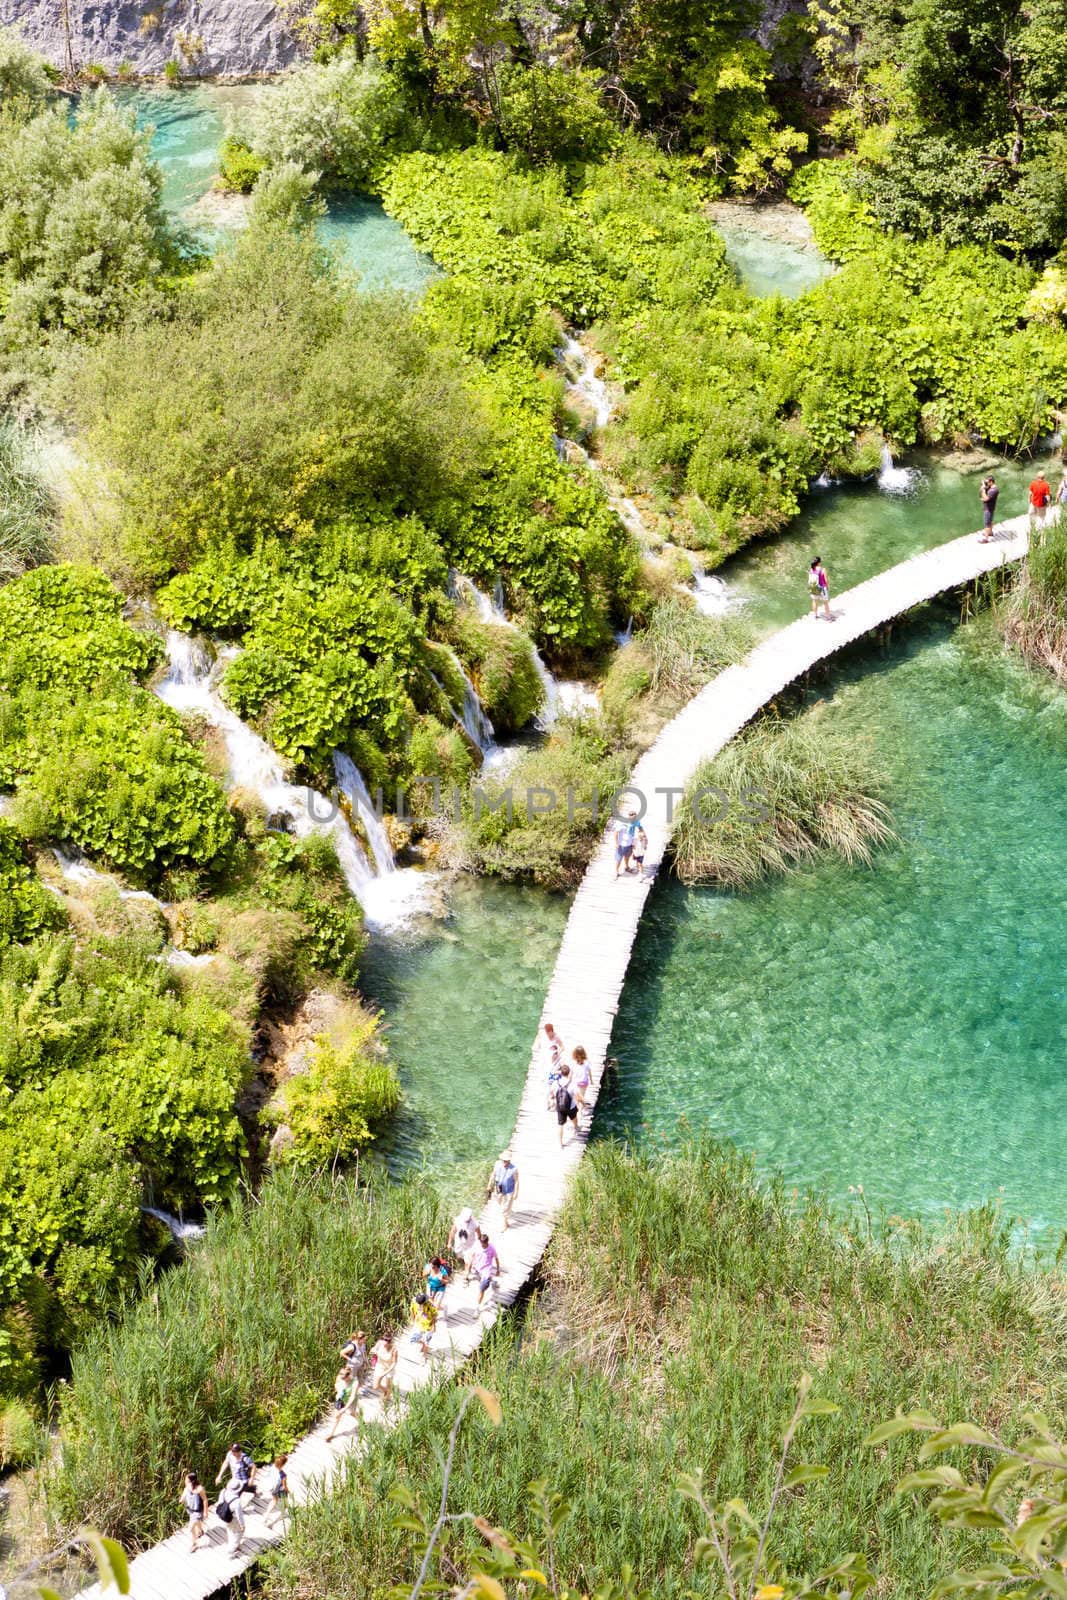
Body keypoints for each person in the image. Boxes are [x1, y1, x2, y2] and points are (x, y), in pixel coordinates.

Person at [326, 1366, 360, 1442]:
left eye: (344, 1377)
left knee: (352, 1413)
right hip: (341, 1399)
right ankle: (331, 1434)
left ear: (349, 1375)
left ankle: (361, 1421)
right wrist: (338, 1391)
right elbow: (336, 1385)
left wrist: (344, 1409)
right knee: (337, 1416)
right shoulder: (339, 1377)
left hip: (351, 1401)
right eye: (341, 1374)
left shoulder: (355, 1382)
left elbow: (352, 1397)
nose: (342, 1378)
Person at [470, 1229, 500, 1311]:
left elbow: (496, 1258)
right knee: (481, 1284)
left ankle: (477, 1308)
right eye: (481, 1243)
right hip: (477, 1269)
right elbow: (472, 1256)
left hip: (487, 1271)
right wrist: (469, 1268)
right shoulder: (477, 1247)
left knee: (481, 1289)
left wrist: (498, 1269)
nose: (482, 1245)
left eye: (483, 1243)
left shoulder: (491, 1248)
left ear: (487, 1242)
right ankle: (493, 1282)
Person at [488, 1149, 519, 1228]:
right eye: (503, 1160)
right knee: (499, 1201)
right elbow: (493, 1174)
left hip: (509, 1191)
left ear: (509, 1160)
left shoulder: (514, 1169)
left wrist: (516, 1193)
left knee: (505, 1208)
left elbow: (516, 1181)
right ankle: (507, 1209)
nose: (505, 1162)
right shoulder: (497, 1164)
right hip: (499, 1187)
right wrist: (489, 1184)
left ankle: (505, 1224)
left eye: (507, 1161)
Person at [448, 1206, 479, 1280]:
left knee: (468, 1261)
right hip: (459, 1243)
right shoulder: (458, 1220)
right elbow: (452, 1231)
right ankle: (464, 1267)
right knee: (459, 1256)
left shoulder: (475, 1224)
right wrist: (449, 1242)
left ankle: (466, 1275)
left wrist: (479, 1243)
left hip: (470, 1245)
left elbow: (479, 1234)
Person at [216, 1479, 246, 1553]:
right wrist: (242, 1525)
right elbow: (239, 1515)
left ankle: (232, 1544)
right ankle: (232, 1549)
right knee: (239, 1533)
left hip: (224, 1516)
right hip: (232, 1518)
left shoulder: (223, 1491)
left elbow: (220, 1502)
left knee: (230, 1531)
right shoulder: (237, 1501)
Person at [180, 1471, 207, 1553]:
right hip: (190, 1509)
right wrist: (181, 1499)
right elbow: (184, 1494)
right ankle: (200, 1531)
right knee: (196, 1522)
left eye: (186, 1480)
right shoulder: (187, 1487)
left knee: (191, 1528)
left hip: (197, 1511)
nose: (185, 1481)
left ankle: (195, 1544)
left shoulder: (199, 1489)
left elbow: (205, 1500)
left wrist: (206, 1511)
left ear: (192, 1481)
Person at [260, 1454, 289, 1530]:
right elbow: (284, 1485)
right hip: (281, 1490)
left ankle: (266, 1516)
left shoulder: (272, 1467)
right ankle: (273, 1522)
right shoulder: (283, 1475)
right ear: (283, 1464)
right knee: (285, 1505)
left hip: (273, 1489)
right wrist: (288, 1491)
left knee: (273, 1501)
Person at [370, 1329, 398, 1403]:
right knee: (375, 1386)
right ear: (382, 1339)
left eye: (388, 1341)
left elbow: (394, 1363)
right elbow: (373, 1349)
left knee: (388, 1384)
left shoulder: (394, 1349)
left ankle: (385, 1400)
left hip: (389, 1368)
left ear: (391, 1341)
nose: (386, 1342)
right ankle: (386, 1391)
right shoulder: (379, 1343)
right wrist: (373, 1351)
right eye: (385, 1340)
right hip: (380, 1366)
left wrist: (386, 1372)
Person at [553, 1065, 579, 1146]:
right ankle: (576, 1128)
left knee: (560, 1125)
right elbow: (577, 1095)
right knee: (574, 1117)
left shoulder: (556, 1083)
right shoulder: (572, 1084)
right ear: (569, 1073)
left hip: (560, 1107)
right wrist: (583, 1103)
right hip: (571, 1106)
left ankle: (560, 1143)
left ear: (561, 1073)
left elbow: (552, 1093)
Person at [409, 1291, 438, 1360]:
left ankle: (424, 1356)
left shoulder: (430, 1305)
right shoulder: (414, 1302)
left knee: (426, 1342)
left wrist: (434, 1326)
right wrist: (412, 1320)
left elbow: (434, 1316)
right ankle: (423, 1344)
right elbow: (412, 1311)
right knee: (413, 1340)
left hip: (429, 1326)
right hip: (419, 1324)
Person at [613, 810, 638, 878]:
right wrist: (616, 843)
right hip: (621, 845)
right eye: (632, 817)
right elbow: (616, 832)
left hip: (629, 844)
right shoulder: (622, 823)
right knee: (619, 859)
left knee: (627, 857)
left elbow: (635, 833)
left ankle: (627, 867)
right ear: (629, 816)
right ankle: (616, 871)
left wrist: (634, 844)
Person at [979, 474, 999, 542]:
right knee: (990, 521)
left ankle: (986, 539)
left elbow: (986, 498)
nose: (986, 483)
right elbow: (981, 495)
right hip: (990, 508)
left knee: (987, 523)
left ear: (991, 482)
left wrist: (983, 489)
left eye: (987, 482)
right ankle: (990, 532)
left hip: (988, 509)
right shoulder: (990, 488)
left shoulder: (993, 490)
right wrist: (983, 486)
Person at [571, 1045, 591, 1109]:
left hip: (577, 1083)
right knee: (581, 1096)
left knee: (577, 1098)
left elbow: (571, 1073)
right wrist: (591, 1080)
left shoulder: (574, 1064)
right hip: (584, 1083)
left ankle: (580, 1109)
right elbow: (589, 1072)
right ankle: (582, 1107)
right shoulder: (586, 1063)